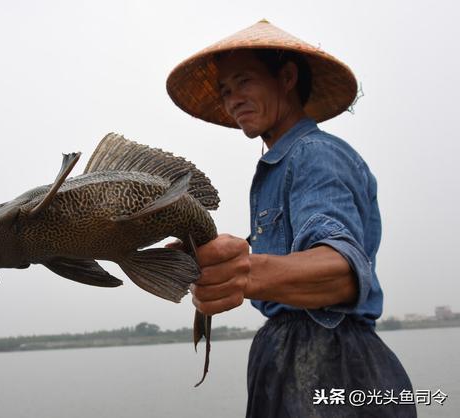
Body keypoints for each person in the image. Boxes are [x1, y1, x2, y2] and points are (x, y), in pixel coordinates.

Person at [166, 19, 416, 417]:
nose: (233, 100)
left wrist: (241, 273)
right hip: (283, 356)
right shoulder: (276, 165)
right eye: (226, 91)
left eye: (244, 82)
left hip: (335, 363)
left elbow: (342, 270)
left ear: (285, 77)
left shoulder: (314, 153)